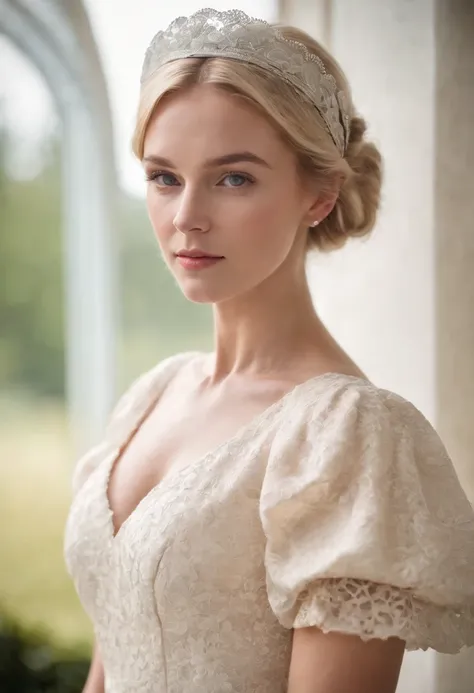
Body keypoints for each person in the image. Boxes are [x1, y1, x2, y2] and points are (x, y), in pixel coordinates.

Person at [64, 8, 474, 693]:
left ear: (320, 193)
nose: (186, 215)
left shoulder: (347, 434)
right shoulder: (153, 395)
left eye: (233, 178)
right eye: (164, 176)